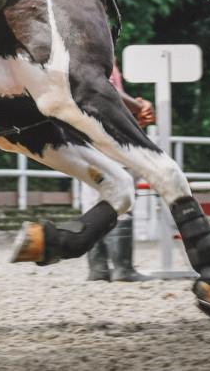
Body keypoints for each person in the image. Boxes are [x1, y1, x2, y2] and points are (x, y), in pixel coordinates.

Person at [84, 62, 156, 282]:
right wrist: (138, 106)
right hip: (110, 135)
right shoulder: (98, 56)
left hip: (85, 136)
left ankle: (98, 268)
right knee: (121, 197)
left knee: (92, 200)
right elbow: (107, 92)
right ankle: (123, 268)